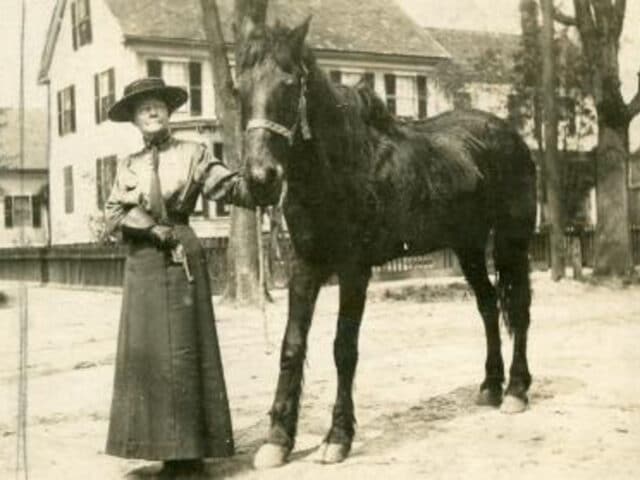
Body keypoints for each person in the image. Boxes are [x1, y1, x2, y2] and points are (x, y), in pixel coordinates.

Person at [103, 77, 254, 480]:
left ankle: (189, 454)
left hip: (181, 253)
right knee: (149, 353)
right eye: (142, 108)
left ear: (169, 113)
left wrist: (258, 182)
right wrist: (149, 229)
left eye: (158, 105)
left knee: (186, 352)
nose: (151, 112)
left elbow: (229, 187)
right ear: (134, 119)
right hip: (142, 261)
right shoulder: (128, 165)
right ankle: (155, 447)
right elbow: (113, 214)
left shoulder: (194, 153)